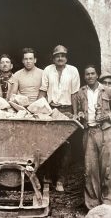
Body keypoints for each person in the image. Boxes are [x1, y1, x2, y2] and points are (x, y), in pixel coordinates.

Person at [75, 65, 111, 210]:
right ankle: (93, 204)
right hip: (89, 133)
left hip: (106, 132)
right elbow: (77, 112)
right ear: (84, 76)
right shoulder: (80, 93)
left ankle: (108, 201)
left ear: (97, 75)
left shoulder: (108, 91)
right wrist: (80, 115)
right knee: (90, 169)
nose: (90, 76)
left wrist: (107, 116)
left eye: (92, 73)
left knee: (106, 167)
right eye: (87, 74)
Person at [38, 45, 80, 192]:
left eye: (63, 55)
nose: (60, 58)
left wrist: (75, 114)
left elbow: (75, 94)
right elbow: (43, 91)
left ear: (66, 57)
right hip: (51, 109)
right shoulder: (47, 70)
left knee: (65, 146)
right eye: (57, 56)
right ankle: (48, 177)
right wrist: (38, 109)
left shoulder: (73, 70)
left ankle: (61, 179)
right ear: (53, 58)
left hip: (67, 109)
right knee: (48, 144)